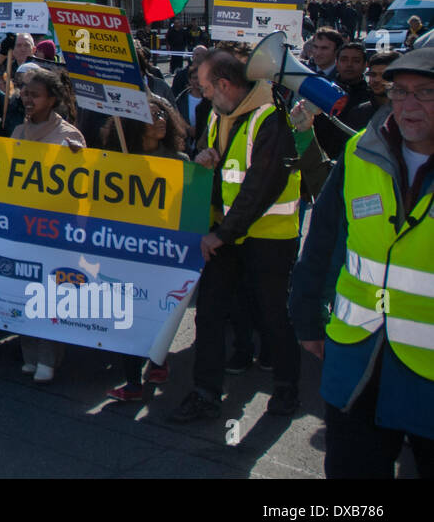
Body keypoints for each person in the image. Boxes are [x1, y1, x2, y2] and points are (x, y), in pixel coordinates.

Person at [288, 47, 434, 478]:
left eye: (425, 93)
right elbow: (323, 238)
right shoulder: (359, 150)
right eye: (400, 91)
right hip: (357, 358)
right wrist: (308, 318)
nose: (408, 105)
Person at [172, 50, 303, 422]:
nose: (203, 93)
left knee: (274, 314)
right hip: (228, 234)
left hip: (268, 237)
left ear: (225, 84)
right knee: (210, 314)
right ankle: (205, 393)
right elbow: (225, 174)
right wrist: (204, 158)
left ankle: (286, 388)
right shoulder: (218, 114)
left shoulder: (271, 118)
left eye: (206, 86)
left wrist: (223, 234)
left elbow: (261, 186)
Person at [102, 94, 188, 400]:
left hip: (164, 253)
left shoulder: (180, 161)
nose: (161, 120)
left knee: (160, 310)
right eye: (152, 116)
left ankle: (159, 361)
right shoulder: (118, 162)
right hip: (126, 252)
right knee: (128, 315)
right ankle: (133, 382)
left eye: (163, 114)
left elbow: (187, 209)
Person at [10, 67, 85, 382]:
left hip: (54, 230)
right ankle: (29, 353)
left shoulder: (69, 136)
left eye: (35, 95)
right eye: (25, 93)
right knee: (25, 289)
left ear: (52, 99)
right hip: (23, 225)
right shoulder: (17, 131)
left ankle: (49, 358)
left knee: (49, 293)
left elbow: (80, 186)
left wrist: (78, 158)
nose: (28, 99)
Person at [314, 41, 374, 159]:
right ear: (336, 62)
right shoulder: (322, 90)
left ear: (365, 65)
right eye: (344, 60)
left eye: (356, 61)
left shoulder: (371, 96)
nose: (349, 65)